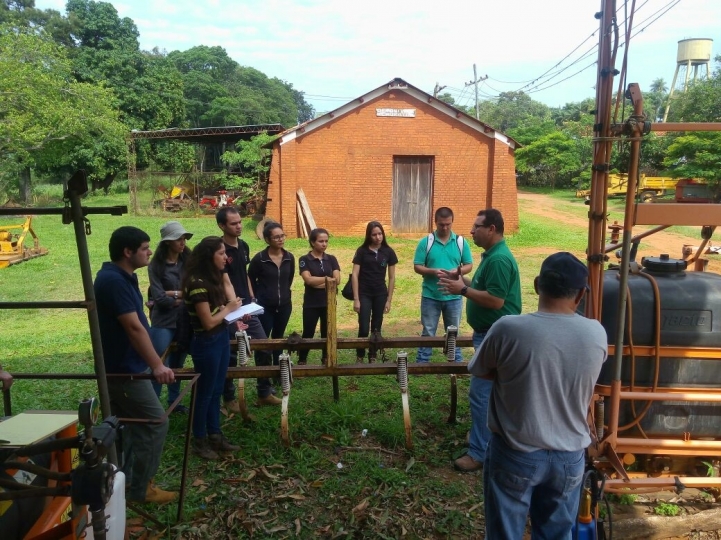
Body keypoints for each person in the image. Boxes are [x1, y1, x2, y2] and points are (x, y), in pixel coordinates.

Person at [470, 252, 607, 539]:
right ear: (581, 294)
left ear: (536, 285)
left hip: (515, 452)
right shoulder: (596, 333)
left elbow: (482, 371)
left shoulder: (508, 328)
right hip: (569, 457)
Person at [93, 226, 177, 504]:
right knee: (155, 422)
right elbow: (133, 327)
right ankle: (141, 489)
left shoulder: (122, 277)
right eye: (144, 248)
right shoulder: (113, 281)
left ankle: (122, 485)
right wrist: (157, 365)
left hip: (129, 366)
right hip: (124, 371)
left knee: (127, 427)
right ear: (127, 252)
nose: (150, 252)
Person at [439, 208, 522, 473]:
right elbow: (485, 287)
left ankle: (480, 453)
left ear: (492, 229)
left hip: (494, 335)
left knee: (481, 394)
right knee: (491, 394)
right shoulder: (493, 256)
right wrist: (461, 278)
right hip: (490, 334)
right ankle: (483, 437)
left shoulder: (498, 260)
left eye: (477, 227)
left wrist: (462, 290)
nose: (472, 231)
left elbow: (496, 301)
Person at [182, 237, 243, 460]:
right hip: (206, 342)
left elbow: (217, 316)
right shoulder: (197, 283)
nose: (226, 257)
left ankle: (215, 436)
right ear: (209, 257)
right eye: (221, 253)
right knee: (204, 395)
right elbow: (207, 322)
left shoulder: (211, 279)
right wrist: (229, 308)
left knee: (216, 391)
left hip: (220, 339)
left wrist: (231, 311)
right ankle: (199, 440)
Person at [216, 207, 280, 407]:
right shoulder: (218, 250)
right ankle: (229, 398)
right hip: (228, 308)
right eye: (233, 223)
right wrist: (232, 306)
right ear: (222, 225)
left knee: (263, 345)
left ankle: (264, 392)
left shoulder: (243, 246)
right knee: (232, 353)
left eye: (240, 222)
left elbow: (243, 273)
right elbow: (223, 281)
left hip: (246, 307)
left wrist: (251, 296)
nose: (239, 226)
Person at [413, 207, 473, 363]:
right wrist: (433, 271)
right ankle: (423, 361)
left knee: (453, 332)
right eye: (441, 225)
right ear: (435, 222)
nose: (445, 228)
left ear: (452, 222)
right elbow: (417, 266)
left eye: (448, 224)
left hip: (454, 295)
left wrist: (458, 271)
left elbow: (469, 264)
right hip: (430, 294)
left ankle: (455, 360)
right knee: (428, 330)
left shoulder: (460, 242)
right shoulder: (426, 242)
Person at [147, 221, 193, 414]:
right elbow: (157, 297)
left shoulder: (188, 260)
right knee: (159, 363)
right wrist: (178, 296)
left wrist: (171, 295)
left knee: (178, 363)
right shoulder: (155, 266)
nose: (182, 243)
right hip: (163, 321)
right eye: (178, 239)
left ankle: (174, 402)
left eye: (184, 238)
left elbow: (193, 291)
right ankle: (153, 406)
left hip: (184, 319)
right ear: (167, 242)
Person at [248, 222, 295, 367]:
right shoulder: (260, 258)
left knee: (279, 338)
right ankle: (263, 375)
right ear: (267, 240)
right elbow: (250, 278)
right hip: (264, 306)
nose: (281, 239)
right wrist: (254, 298)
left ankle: (278, 372)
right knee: (263, 341)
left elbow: (289, 279)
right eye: (276, 237)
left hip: (285, 306)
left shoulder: (289, 257)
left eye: (282, 236)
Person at [351, 221, 398, 363]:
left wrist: (389, 299)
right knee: (364, 327)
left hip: (380, 293)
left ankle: (373, 354)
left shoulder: (388, 252)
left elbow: (391, 277)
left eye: (380, 234)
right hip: (364, 292)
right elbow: (354, 275)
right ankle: (360, 355)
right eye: (374, 234)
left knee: (376, 327)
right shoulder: (362, 251)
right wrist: (356, 298)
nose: (378, 237)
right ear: (368, 236)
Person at [298, 228, 341, 365]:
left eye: (326, 241)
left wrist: (320, 282)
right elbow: (308, 280)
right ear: (312, 242)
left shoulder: (332, 259)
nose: (324, 244)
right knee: (308, 332)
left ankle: (326, 357)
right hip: (311, 303)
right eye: (320, 241)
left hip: (328, 302)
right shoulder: (304, 259)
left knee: (327, 332)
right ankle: (302, 358)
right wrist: (328, 281)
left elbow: (337, 280)